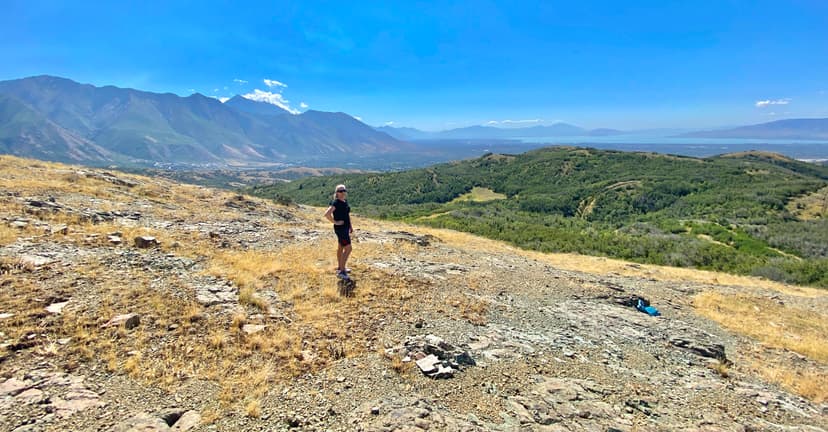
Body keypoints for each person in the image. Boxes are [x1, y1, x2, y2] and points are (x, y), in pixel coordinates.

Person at [324, 184, 353, 279]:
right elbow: (327, 214)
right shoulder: (336, 203)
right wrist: (335, 222)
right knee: (348, 248)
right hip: (341, 230)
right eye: (340, 191)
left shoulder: (345, 201)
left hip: (345, 228)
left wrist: (350, 226)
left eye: (344, 190)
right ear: (337, 193)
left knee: (341, 247)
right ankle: (342, 271)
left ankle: (340, 267)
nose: (343, 192)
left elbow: (347, 215)